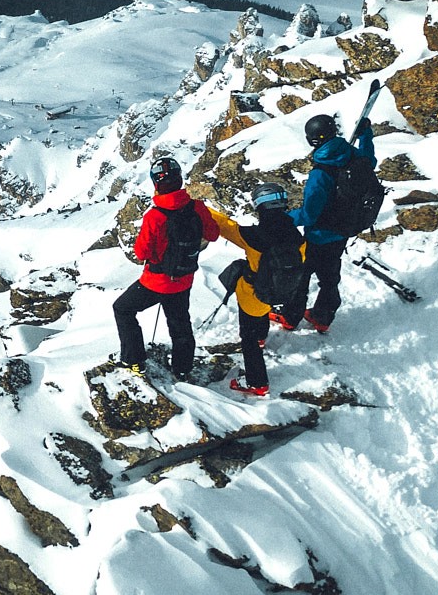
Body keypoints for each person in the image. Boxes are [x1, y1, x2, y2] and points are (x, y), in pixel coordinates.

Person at [114, 155, 224, 381]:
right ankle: (182, 369)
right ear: (180, 180)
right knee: (179, 323)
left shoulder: (155, 216)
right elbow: (213, 234)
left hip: (156, 281)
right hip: (184, 278)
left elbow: (142, 252)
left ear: (156, 185)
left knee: (123, 309)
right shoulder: (197, 207)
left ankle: (133, 360)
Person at [277, 111, 377, 332]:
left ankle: (290, 317)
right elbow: (370, 160)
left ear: (311, 140)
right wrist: (366, 135)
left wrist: (283, 218)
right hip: (344, 229)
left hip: (319, 235)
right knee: (330, 276)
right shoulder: (352, 155)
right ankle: (322, 317)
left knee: (301, 277)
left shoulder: (321, 173)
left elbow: (309, 214)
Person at [217, 183, 305, 395]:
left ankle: (257, 382)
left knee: (247, 336)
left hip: (253, 296)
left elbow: (226, 227)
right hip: (284, 290)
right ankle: (262, 335)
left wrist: (200, 208)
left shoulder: (253, 235)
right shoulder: (297, 236)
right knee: (264, 301)